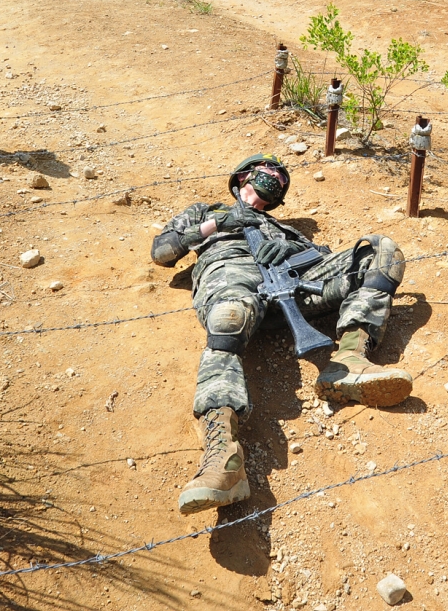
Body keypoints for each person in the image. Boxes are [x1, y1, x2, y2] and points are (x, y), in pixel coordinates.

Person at [152, 155, 411, 514]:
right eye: (266, 177)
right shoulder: (204, 211)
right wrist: (218, 224)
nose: (271, 185)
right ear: (242, 178)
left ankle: (349, 360)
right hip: (233, 274)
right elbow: (163, 251)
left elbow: (320, 257)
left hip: (294, 281)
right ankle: (222, 458)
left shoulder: (284, 229)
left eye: (278, 185)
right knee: (228, 319)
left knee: (381, 253)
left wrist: (293, 248)